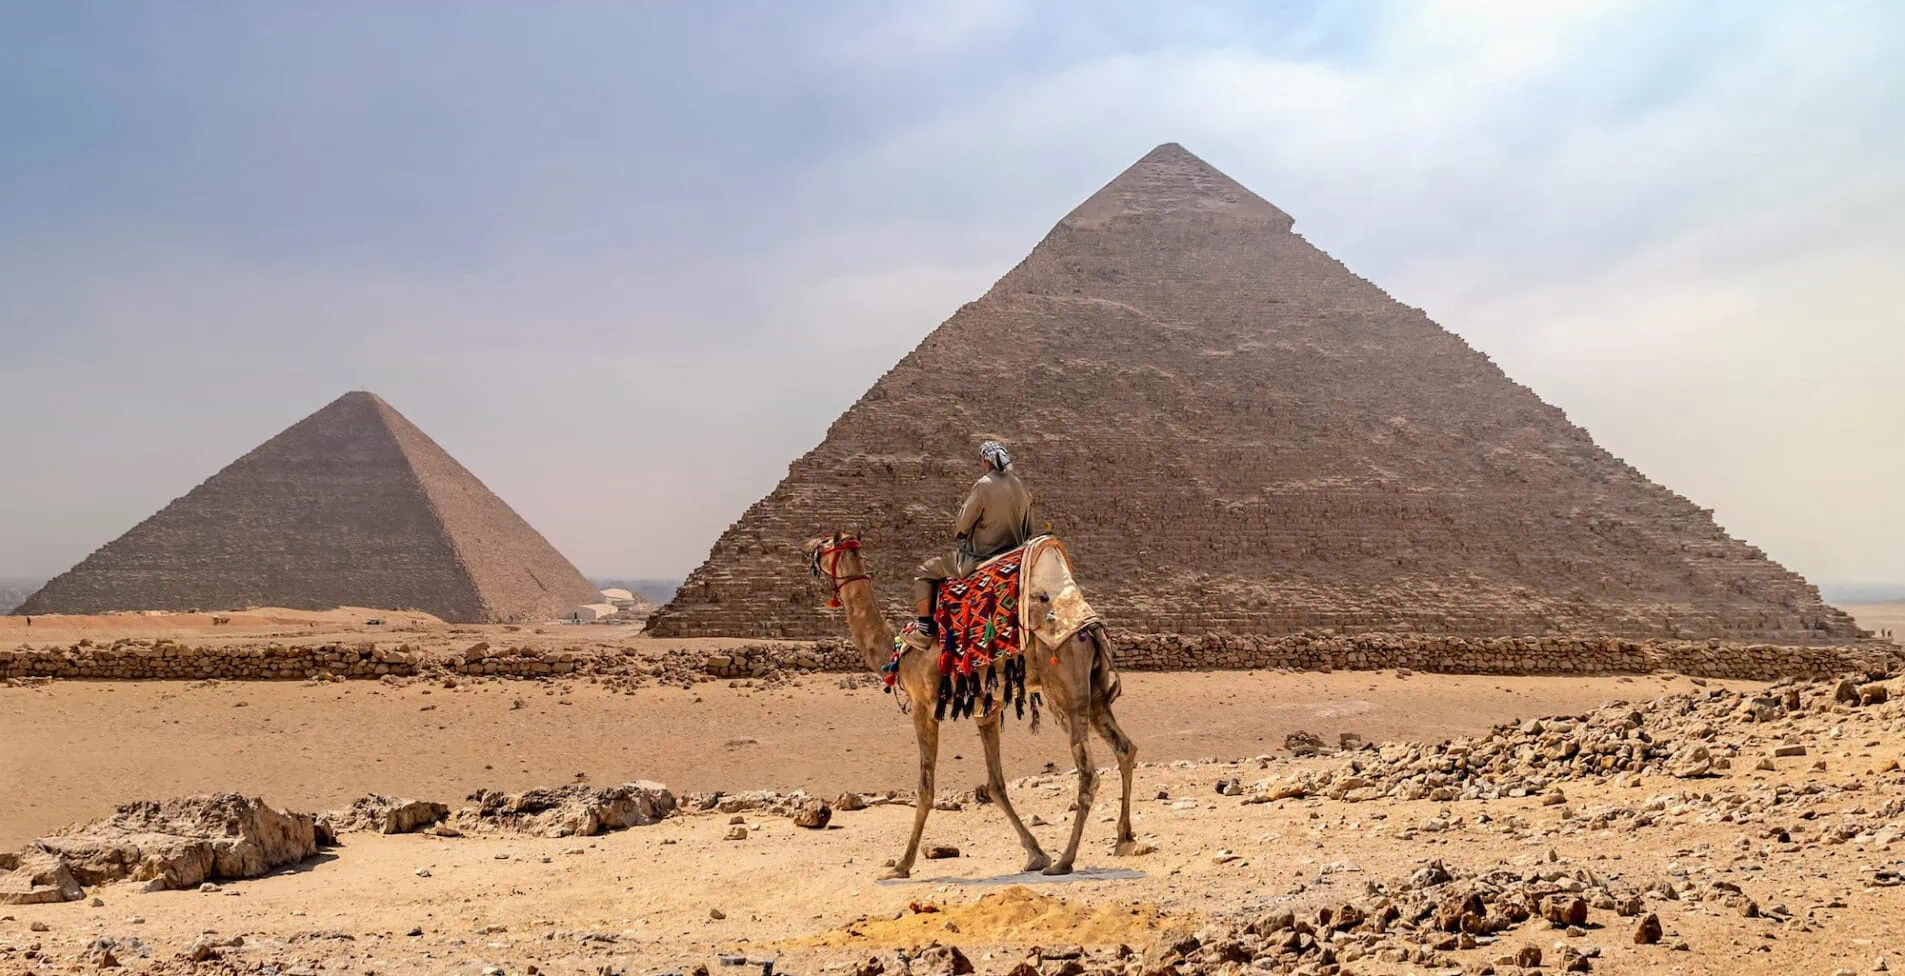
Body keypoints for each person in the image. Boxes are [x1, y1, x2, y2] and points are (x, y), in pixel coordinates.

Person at [914, 440, 1036, 636]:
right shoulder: (1019, 485)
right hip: (1016, 556)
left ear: (986, 461)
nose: (981, 464)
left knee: (925, 571)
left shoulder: (983, 485)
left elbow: (963, 524)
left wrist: (961, 532)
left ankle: (924, 628)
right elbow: (1030, 528)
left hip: (982, 557)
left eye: (981, 460)